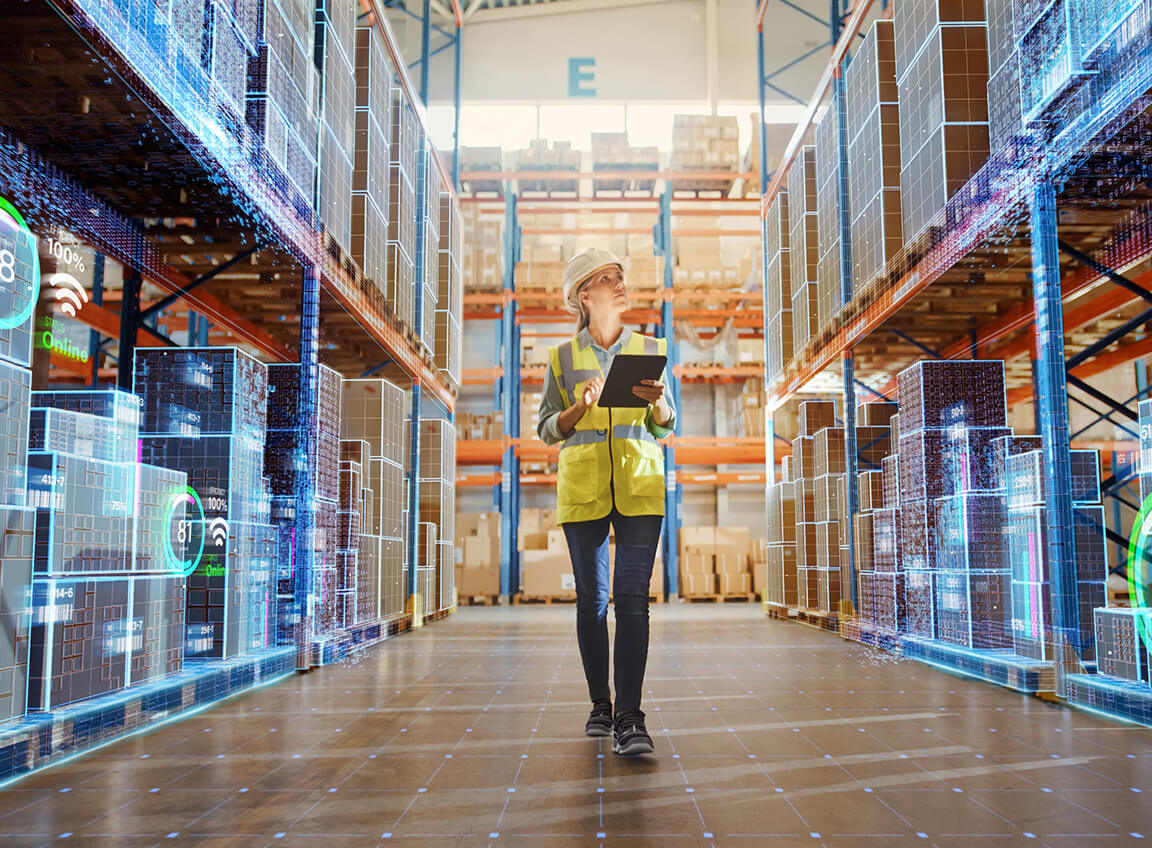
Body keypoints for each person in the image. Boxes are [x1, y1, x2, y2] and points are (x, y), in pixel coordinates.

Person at [537, 247, 676, 756]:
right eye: (606, 278)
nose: (620, 284)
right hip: (584, 490)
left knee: (633, 601)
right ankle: (601, 703)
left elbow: (666, 422)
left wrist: (660, 403)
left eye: (620, 276)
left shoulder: (649, 347)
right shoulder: (562, 358)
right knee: (594, 603)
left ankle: (630, 718)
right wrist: (579, 407)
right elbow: (547, 428)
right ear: (584, 295)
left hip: (639, 488)